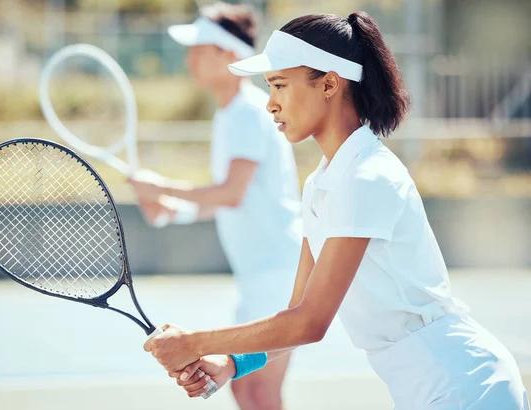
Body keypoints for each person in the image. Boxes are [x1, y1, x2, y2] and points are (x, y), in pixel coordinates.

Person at [143, 12, 530, 410]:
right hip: (430, 390)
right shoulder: (321, 184)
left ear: (329, 83)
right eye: (268, 87)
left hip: (468, 387)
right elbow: (294, 316)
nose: (271, 104)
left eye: (280, 85)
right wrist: (230, 364)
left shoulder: (367, 177)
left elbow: (310, 323)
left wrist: (195, 342)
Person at [128, 3, 302, 409]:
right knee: (244, 388)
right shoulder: (228, 116)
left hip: (278, 276)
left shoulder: (248, 113)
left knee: (260, 390)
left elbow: (230, 193)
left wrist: (160, 186)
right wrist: (174, 209)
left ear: (228, 55)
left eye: (200, 48)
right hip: (259, 276)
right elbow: (233, 201)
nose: (190, 59)